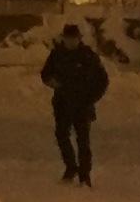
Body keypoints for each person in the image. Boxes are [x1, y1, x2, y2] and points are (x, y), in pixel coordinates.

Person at [39, 22, 108, 185]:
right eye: (68, 39)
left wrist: (91, 97)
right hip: (62, 103)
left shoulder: (88, 56)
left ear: (79, 39)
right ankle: (71, 167)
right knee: (62, 135)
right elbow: (45, 73)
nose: (70, 42)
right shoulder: (57, 54)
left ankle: (84, 175)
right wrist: (51, 81)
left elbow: (102, 80)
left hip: (83, 105)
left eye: (74, 39)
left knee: (83, 139)